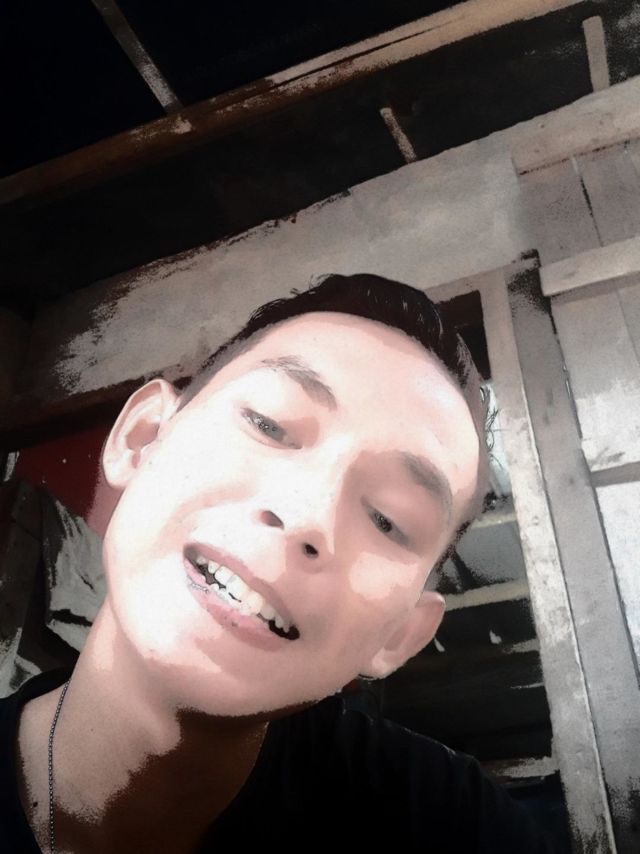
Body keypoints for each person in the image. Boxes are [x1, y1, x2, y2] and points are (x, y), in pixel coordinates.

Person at [0, 274, 561, 853]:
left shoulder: (445, 821)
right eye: (268, 424)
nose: (306, 514)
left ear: (400, 635)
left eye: (388, 519)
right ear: (143, 439)